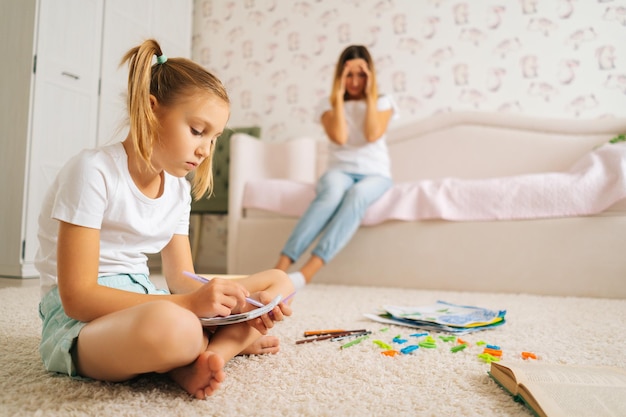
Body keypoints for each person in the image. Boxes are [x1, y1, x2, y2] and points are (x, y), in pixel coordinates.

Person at [35, 39, 294, 400]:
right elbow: (78, 298)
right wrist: (191, 306)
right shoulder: (93, 171)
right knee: (178, 328)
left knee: (279, 280)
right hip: (81, 322)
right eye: (197, 130)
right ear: (151, 110)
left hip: (147, 301)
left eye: (214, 138)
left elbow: (181, 281)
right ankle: (211, 349)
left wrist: (231, 303)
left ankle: (208, 358)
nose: (205, 150)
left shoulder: (176, 190)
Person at [274, 45, 398, 288]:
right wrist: (338, 95)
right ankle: (279, 269)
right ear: (339, 76)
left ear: (370, 75)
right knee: (331, 193)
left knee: (358, 195)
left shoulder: (383, 102)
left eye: (361, 75)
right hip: (338, 171)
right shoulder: (327, 105)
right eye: (348, 74)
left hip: (376, 174)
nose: (354, 81)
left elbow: (373, 134)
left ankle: (307, 273)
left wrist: (371, 92)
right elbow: (340, 137)